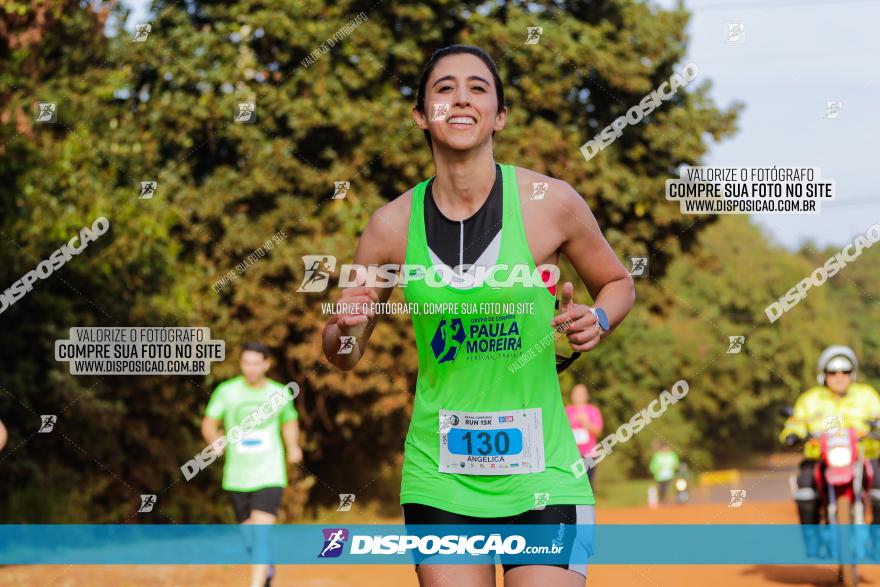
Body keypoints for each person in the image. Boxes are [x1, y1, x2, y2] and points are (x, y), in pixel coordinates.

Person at [322, 44, 634, 587]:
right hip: (440, 476)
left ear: (499, 115)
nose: (461, 98)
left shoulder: (549, 203)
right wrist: (346, 328)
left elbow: (617, 282)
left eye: (478, 88)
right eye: (444, 88)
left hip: (544, 474)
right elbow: (343, 357)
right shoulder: (390, 226)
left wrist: (600, 319)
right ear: (421, 114)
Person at [201, 342, 303, 587]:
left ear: (266, 364)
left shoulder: (280, 393)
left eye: (256, 363)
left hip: (270, 474)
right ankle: (266, 568)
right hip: (237, 476)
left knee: (260, 536)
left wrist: (292, 446)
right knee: (250, 539)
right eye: (246, 362)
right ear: (241, 364)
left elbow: (289, 421)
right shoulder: (227, 391)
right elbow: (209, 422)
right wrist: (213, 441)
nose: (251, 368)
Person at [779, 345, 880, 555]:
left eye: (845, 371)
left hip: (863, 457)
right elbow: (796, 422)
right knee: (805, 487)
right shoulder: (811, 399)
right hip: (821, 458)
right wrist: (793, 434)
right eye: (833, 372)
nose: (839, 377)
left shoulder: (866, 396)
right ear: (823, 374)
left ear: (852, 374)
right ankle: (812, 539)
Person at [565, 384, 603, 485]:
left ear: (587, 396)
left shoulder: (593, 411)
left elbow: (598, 431)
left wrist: (586, 423)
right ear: (572, 395)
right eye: (576, 393)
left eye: (581, 394)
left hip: (589, 455)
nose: (579, 396)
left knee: (588, 485)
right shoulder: (567, 411)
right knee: (573, 485)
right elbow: (562, 432)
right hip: (571, 455)